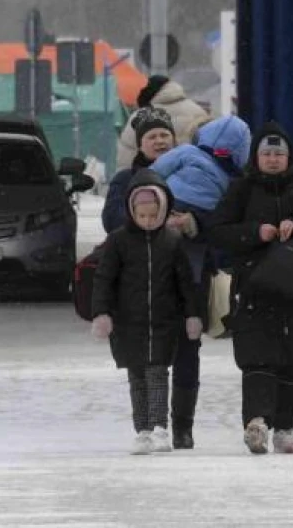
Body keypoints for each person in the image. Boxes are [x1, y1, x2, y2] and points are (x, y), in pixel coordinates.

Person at [210, 122, 293, 455]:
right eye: (266, 154)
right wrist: (255, 232)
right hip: (255, 289)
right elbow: (219, 231)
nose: (272, 160)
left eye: (278, 154)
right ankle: (257, 421)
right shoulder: (241, 188)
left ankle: (286, 427)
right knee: (257, 358)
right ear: (256, 157)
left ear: (289, 157)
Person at [101, 106, 208, 450]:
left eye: (165, 135)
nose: (160, 141)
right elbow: (112, 220)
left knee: (187, 353)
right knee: (144, 363)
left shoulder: (194, 171)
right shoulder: (123, 180)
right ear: (140, 144)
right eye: (152, 136)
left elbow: (219, 213)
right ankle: (147, 425)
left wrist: (192, 222)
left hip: (185, 277)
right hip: (139, 287)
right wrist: (150, 221)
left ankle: (182, 426)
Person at [116, 75, 210, 171]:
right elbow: (210, 148)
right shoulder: (197, 111)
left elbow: (126, 158)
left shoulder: (140, 116)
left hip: (147, 179)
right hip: (190, 176)